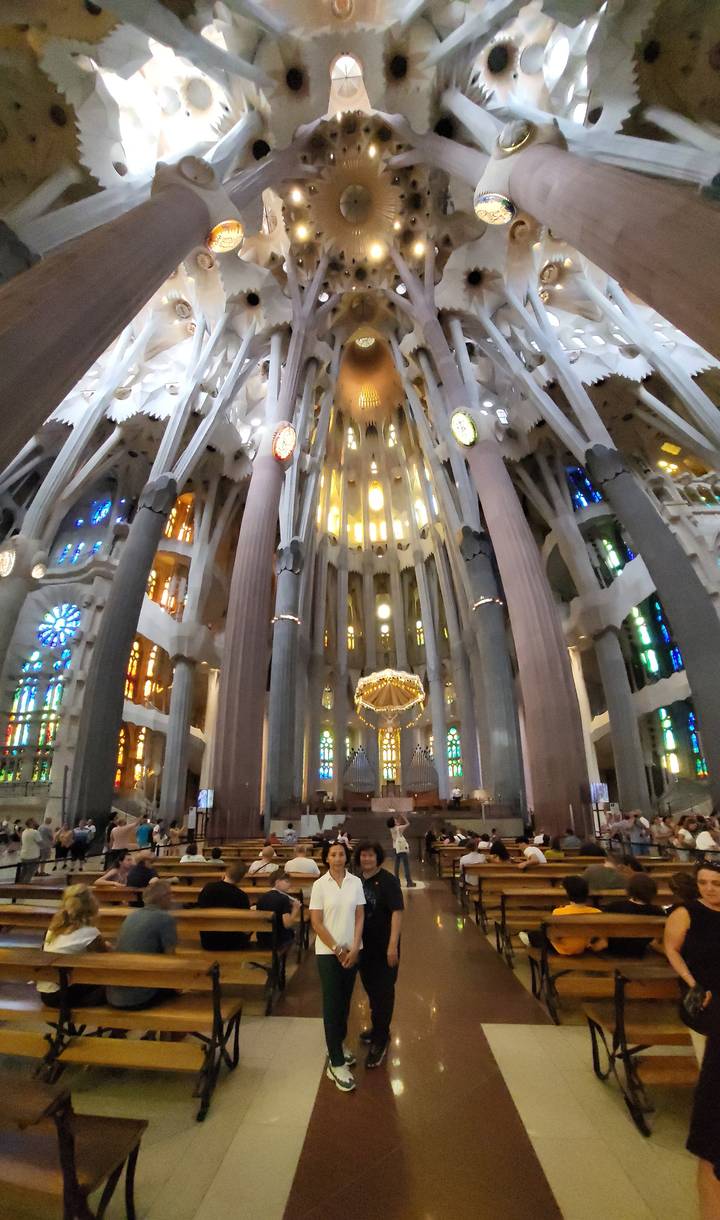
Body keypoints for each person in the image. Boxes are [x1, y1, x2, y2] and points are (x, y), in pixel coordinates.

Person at [664, 863, 720, 1218]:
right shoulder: (686, 913)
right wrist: (691, 983)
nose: (710, 889)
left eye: (715, 883)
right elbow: (671, 949)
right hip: (700, 994)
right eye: (703, 883)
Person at [309, 841, 365, 1092]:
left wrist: (354, 946)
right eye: (333, 854)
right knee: (332, 1003)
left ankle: (339, 1042)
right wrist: (337, 948)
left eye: (342, 854)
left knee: (344, 1000)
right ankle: (335, 1061)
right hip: (328, 952)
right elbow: (317, 922)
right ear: (326, 858)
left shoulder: (355, 882)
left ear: (347, 857)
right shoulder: (320, 885)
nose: (338, 858)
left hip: (352, 951)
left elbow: (360, 915)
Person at [355, 841, 403, 1068]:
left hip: (385, 946)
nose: (366, 859)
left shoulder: (389, 881)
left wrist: (392, 945)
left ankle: (381, 1039)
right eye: (363, 855)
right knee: (371, 988)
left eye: (370, 855)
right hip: (364, 946)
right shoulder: (355, 880)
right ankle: (378, 1027)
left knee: (384, 991)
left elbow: (397, 913)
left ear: (378, 858)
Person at [107, 880, 178, 1010]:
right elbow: (170, 958)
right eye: (171, 895)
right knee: (180, 998)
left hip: (115, 993)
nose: (173, 899)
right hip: (140, 995)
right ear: (163, 897)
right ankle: (170, 1028)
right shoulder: (165, 919)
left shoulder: (131, 915)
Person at [37, 885, 109, 1008]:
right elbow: (106, 958)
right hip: (64, 995)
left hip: (46, 993)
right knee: (115, 985)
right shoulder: (89, 931)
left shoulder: (54, 928)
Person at [603, 873, 665, 957]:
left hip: (613, 951)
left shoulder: (613, 906)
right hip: (643, 952)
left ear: (629, 890)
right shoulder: (658, 912)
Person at [196, 861, 251, 949]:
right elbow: (245, 923)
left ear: (226, 873)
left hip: (208, 941)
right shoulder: (241, 896)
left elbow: (200, 906)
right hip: (233, 942)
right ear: (241, 878)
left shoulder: (208, 888)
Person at [547, 875, 606, 957]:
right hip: (584, 948)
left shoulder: (558, 912)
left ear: (567, 894)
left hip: (563, 949)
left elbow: (554, 937)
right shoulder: (597, 912)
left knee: (540, 935)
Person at [256, 874, 302, 949]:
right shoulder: (284, 898)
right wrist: (295, 909)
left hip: (262, 938)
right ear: (277, 882)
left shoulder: (262, 897)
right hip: (278, 939)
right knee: (296, 929)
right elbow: (287, 924)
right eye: (286, 881)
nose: (289, 884)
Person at [387, 813, 416, 887]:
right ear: (394, 822)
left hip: (395, 848)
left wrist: (399, 817)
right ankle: (409, 882)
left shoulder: (391, 829)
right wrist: (404, 817)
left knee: (396, 865)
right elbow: (408, 824)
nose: (396, 820)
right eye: (395, 820)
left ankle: (397, 882)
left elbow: (397, 824)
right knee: (406, 865)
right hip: (402, 848)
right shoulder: (399, 828)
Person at [19, 818, 42, 882]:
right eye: (35, 822)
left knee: (23, 872)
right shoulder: (35, 832)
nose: (36, 823)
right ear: (31, 823)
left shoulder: (24, 831)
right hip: (32, 856)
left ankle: (18, 886)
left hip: (24, 855)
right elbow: (40, 843)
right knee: (30, 873)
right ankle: (25, 888)